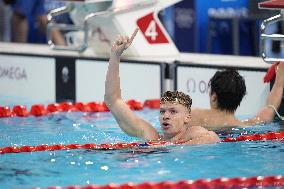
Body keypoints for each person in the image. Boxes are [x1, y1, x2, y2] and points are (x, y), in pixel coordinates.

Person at [104, 28, 220, 145]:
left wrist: (174, 147)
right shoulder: (151, 136)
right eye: (162, 111)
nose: (166, 116)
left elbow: (213, 138)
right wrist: (115, 56)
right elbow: (113, 101)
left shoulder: (191, 133)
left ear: (187, 118)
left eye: (173, 111)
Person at [190, 64, 284, 128]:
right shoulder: (246, 125)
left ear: (214, 97)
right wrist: (280, 73)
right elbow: (271, 108)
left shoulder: (193, 116)